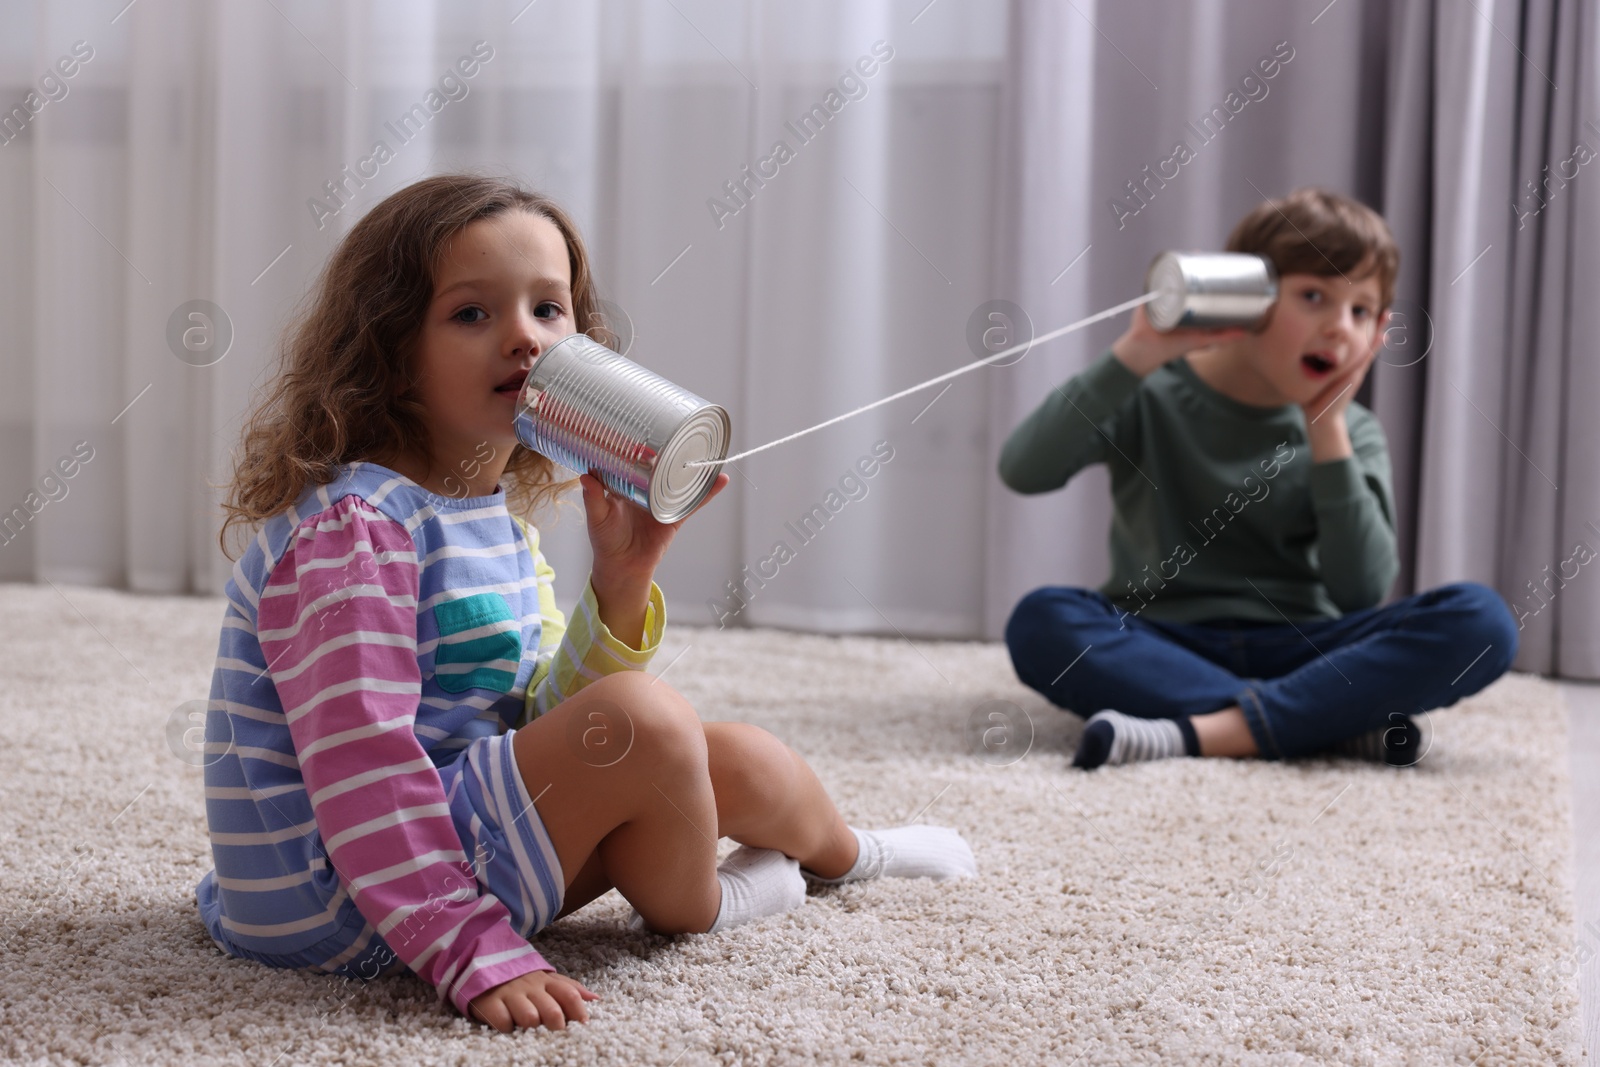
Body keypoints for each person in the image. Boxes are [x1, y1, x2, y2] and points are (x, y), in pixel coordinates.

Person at [195, 174, 976, 1034]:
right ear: (387, 351)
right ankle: (712, 903)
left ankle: (851, 855)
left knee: (735, 757)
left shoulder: (487, 522)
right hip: (337, 901)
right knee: (647, 719)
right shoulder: (356, 530)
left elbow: (546, 725)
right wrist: (465, 945)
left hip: (447, 833)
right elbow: (362, 766)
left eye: (548, 309)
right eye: (472, 314)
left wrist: (621, 578)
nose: (524, 339)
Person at [999, 187, 1518, 770]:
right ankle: (1321, 723)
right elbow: (1024, 470)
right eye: (1314, 296)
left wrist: (1327, 436)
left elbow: (1360, 591)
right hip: (1162, 640)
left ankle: (1202, 731)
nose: (1339, 329)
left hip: (1308, 649)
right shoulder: (1148, 392)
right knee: (1043, 620)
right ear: (1248, 298)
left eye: (1360, 311)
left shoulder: (1355, 433)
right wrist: (1136, 352)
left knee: (1481, 619)